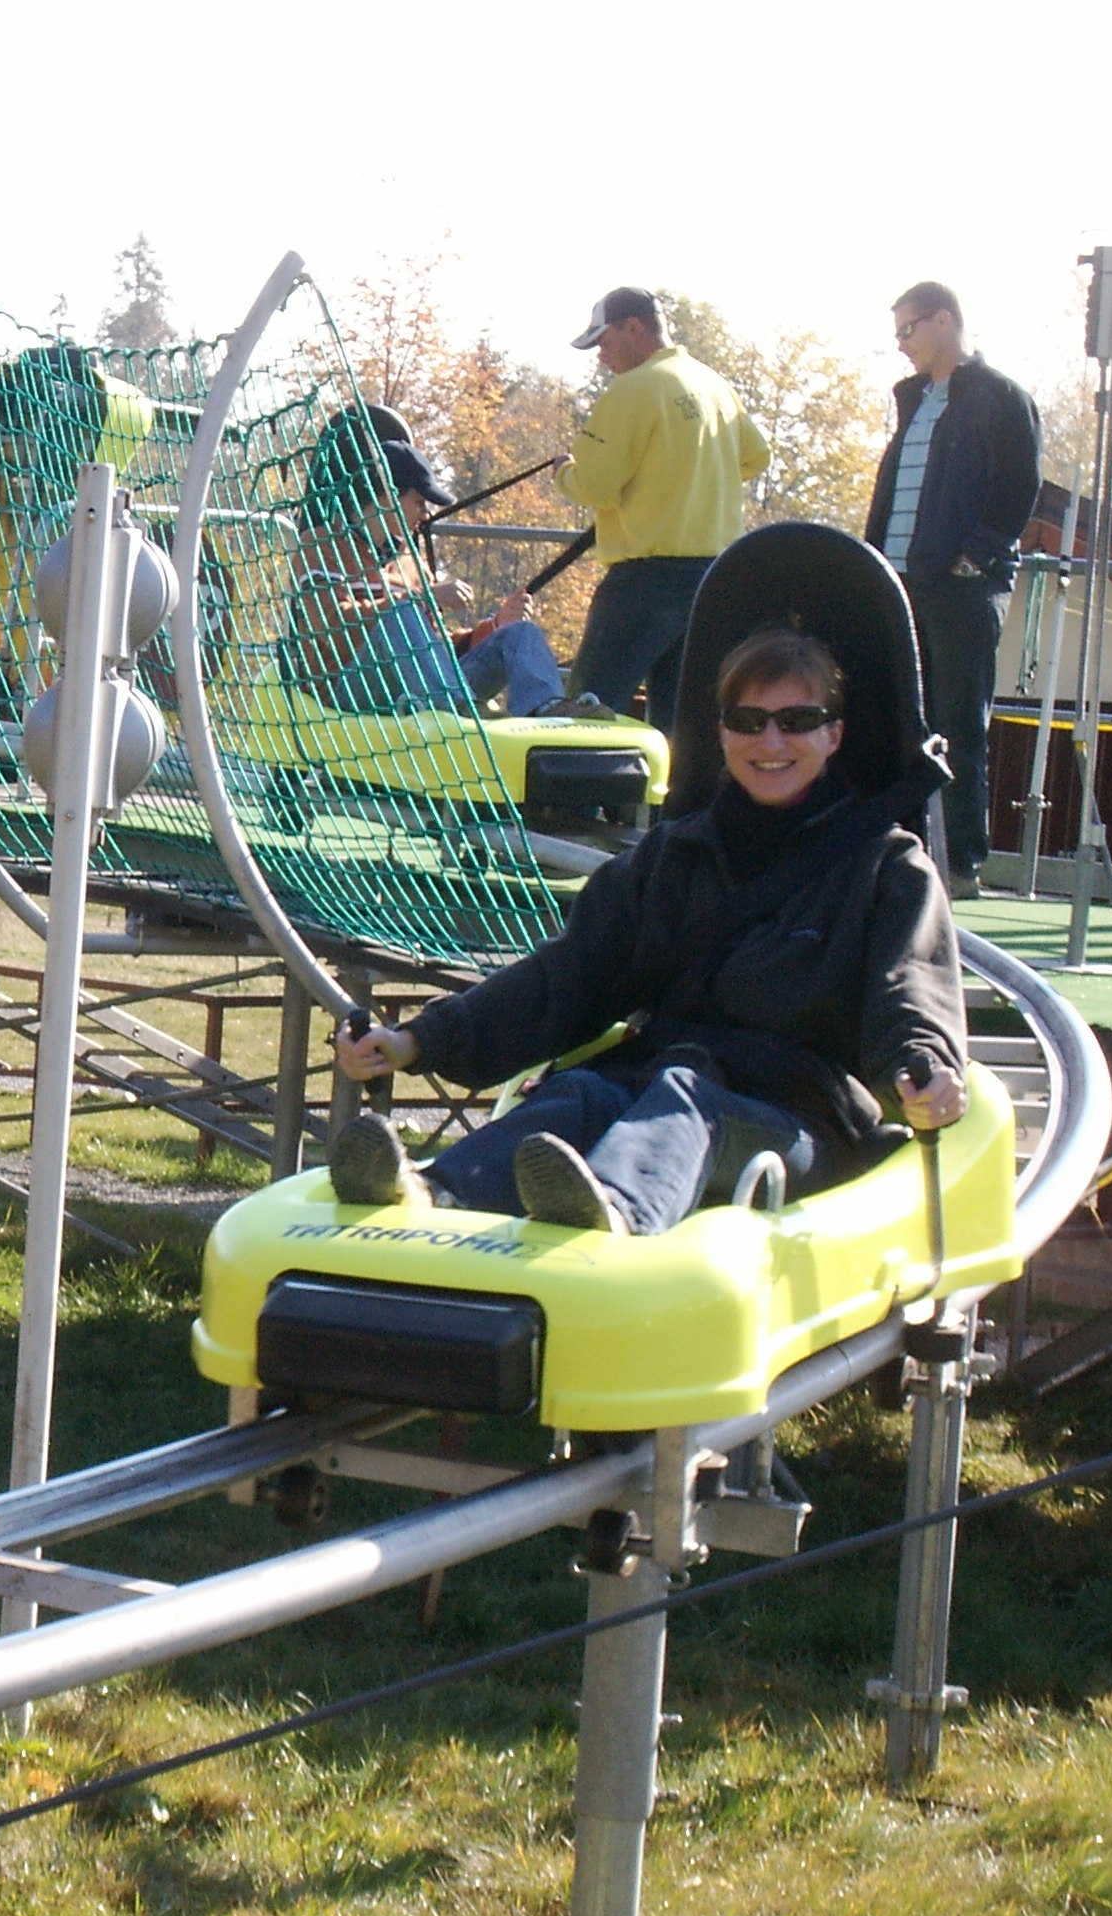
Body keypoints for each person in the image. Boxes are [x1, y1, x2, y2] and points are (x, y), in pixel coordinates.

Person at [329, 604, 968, 1237]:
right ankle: (431, 1192)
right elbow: (568, 976)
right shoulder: (672, 857)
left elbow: (909, 988)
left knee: (684, 1099)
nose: (770, 742)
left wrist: (924, 1068)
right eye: (747, 721)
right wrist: (420, 1040)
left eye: (797, 721)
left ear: (834, 734)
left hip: (801, 1120)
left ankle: (616, 1213)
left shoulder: (886, 867)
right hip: (657, 1085)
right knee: (579, 1095)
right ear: (722, 733)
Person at [861, 282, 1042, 899]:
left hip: (960, 587)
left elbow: (1020, 485)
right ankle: (899, 849)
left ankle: (960, 862)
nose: (900, 345)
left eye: (907, 330)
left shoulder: (1001, 397)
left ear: (944, 320)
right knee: (896, 719)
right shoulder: (915, 399)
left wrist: (975, 556)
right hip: (900, 579)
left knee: (958, 725)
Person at [556, 288, 769, 728]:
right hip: (713, 579)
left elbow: (595, 485)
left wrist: (564, 472)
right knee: (680, 725)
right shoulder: (714, 385)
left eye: (603, 343)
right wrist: (689, 477)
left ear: (633, 327)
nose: (602, 358)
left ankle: (584, 778)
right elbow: (755, 457)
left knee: (587, 715)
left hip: (643, 581)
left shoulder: (633, 389)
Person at [288, 407, 569, 717]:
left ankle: (547, 709)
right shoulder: (322, 545)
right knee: (402, 614)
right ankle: (454, 710)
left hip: (425, 688)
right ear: (388, 497)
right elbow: (331, 628)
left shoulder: (411, 562)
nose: (426, 515)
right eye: (419, 502)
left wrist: (496, 625)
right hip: (348, 692)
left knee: (520, 635)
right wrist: (421, 598)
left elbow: (433, 650)